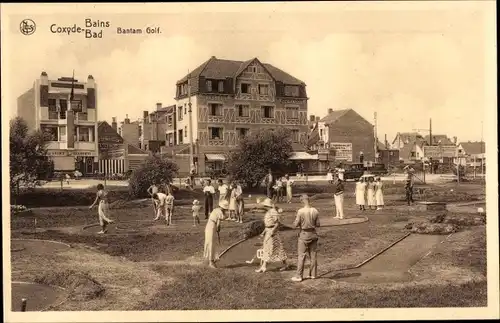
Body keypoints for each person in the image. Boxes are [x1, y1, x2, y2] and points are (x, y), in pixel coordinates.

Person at [291, 194, 320, 282]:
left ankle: (299, 276)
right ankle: (313, 274)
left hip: (304, 234)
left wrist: (296, 220)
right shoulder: (315, 210)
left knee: (301, 256)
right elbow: (318, 224)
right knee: (313, 255)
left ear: (302, 201)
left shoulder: (300, 211)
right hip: (313, 234)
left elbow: (295, 225)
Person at [255, 198, 288, 273]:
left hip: (273, 233)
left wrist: (272, 231)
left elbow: (277, 223)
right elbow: (267, 225)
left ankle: (264, 266)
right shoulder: (269, 212)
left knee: (270, 249)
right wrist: (263, 232)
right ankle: (285, 265)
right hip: (268, 231)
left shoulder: (273, 212)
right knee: (275, 249)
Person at [204, 200, 229, 269]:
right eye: (224, 208)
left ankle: (210, 259)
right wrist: (218, 227)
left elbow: (219, 222)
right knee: (210, 243)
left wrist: (218, 227)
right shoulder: (219, 212)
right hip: (211, 227)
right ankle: (211, 262)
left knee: (212, 243)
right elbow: (223, 218)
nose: (225, 210)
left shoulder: (217, 210)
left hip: (212, 226)